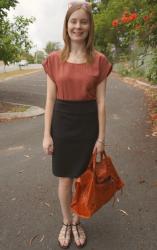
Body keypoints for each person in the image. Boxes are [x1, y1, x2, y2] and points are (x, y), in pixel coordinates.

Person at [42, 1, 112, 248]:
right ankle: (66, 221)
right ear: (66, 25)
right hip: (62, 124)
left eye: (83, 21)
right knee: (64, 179)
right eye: (73, 21)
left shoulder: (100, 60)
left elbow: (102, 104)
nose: (78, 26)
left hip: (87, 125)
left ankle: (77, 220)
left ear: (89, 26)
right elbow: (49, 100)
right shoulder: (53, 60)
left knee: (84, 178)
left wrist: (101, 139)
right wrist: (46, 135)